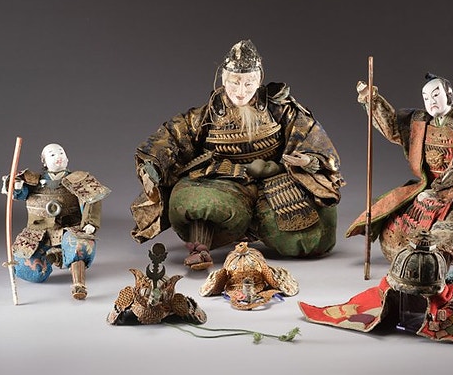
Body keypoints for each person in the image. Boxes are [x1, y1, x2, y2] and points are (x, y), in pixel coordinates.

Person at [131, 39, 344, 270]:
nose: (241, 92)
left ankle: (262, 227)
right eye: (235, 83)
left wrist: (309, 160)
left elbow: (311, 134)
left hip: (275, 178)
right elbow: (173, 134)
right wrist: (153, 164)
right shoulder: (208, 115)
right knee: (193, 200)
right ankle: (200, 248)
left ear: (259, 80)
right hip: (223, 180)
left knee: (313, 227)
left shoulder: (278, 109)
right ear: (224, 79)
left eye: (248, 83)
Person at [346, 73, 453, 269]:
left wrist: (440, 192)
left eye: (436, 95)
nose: (431, 101)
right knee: (391, 231)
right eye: (426, 97)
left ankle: (434, 261)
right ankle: (418, 259)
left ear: (449, 94)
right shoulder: (420, 122)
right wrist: (372, 100)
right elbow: (393, 127)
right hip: (425, 188)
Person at [2, 143, 110, 299]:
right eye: (52, 155)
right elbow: (19, 193)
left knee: (80, 245)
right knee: (27, 269)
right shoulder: (33, 181)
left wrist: (90, 222)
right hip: (39, 233)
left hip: (69, 229)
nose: (58, 157)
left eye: (61, 153)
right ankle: (52, 257)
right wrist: (16, 186)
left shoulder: (79, 180)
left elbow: (93, 197)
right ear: (44, 162)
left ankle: (79, 285)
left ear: (67, 158)